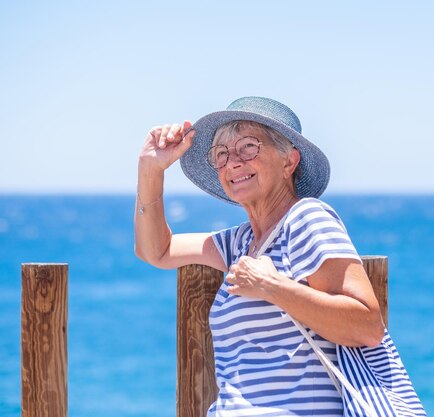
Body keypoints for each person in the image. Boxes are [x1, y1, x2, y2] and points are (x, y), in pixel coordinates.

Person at [134, 96, 385, 416]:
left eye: (248, 147)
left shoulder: (307, 218)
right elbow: (155, 250)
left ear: (289, 161)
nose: (233, 162)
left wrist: (272, 286)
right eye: (221, 154)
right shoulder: (239, 243)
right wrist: (150, 168)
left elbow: (367, 326)